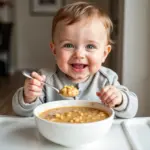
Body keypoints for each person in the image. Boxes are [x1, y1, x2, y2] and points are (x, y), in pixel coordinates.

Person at [12, 1, 138, 118]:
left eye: (90, 46)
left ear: (104, 54)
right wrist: (28, 97)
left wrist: (120, 99)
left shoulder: (107, 79)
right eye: (68, 45)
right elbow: (22, 113)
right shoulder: (45, 80)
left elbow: (131, 110)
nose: (79, 54)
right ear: (55, 50)